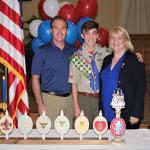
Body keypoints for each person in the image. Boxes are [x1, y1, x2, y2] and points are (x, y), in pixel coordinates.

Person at [31, 16, 76, 128]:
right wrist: (40, 104)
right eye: (56, 28)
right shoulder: (41, 51)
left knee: (67, 138)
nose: (60, 31)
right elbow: (35, 79)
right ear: (51, 31)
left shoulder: (73, 51)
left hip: (69, 101)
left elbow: (79, 77)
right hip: (49, 101)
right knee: (48, 140)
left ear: (67, 31)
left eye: (63, 28)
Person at [99, 26, 146, 129]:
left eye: (119, 38)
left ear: (125, 40)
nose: (115, 41)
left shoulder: (134, 60)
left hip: (127, 114)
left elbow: (140, 88)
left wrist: (136, 113)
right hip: (106, 111)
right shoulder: (107, 59)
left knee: (125, 144)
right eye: (113, 37)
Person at [69, 21, 112, 128]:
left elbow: (121, 55)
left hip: (101, 99)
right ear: (82, 36)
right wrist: (76, 107)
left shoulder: (106, 52)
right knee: (82, 131)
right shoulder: (76, 57)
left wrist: (136, 55)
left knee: (101, 131)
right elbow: (73, 84)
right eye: (87, 33)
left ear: (98, 35)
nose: (90, 36)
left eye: (94, 33)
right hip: (83, 99)